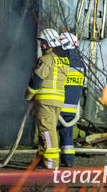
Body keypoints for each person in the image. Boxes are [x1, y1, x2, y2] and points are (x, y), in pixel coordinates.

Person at [24, 28, 69, 169]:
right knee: (48, 131)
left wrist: (28, 96)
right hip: (57, 101)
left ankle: (51, 164)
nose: (41, 45)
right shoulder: (63, 60)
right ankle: (42, 160)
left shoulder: (46, 59)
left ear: (50, 42)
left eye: (43, 42)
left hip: (45, 102)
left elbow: (36, 81)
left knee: (47, 132)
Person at [57, 31, 85, 167]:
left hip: (58, 104)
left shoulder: (63, 61)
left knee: (46, 132)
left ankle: (44, 160)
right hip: (73, 106)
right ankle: (68, 160)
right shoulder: (81, 63)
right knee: (67, 135)